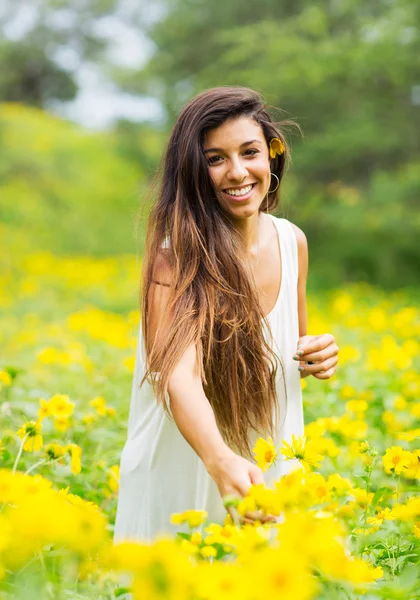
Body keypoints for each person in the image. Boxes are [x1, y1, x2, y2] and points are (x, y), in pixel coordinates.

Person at [114, 86, 339, 542]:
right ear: (194, 171)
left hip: (266, 465)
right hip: (191, 468)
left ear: (272, 155)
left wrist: (318, 353)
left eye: (250, 151)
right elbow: (179, 378)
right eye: (215, 159)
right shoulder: (175, 260)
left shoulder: (292, 242)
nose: (237, 171)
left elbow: (292, 346)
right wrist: (220, 460)